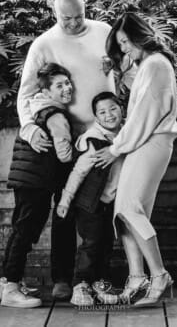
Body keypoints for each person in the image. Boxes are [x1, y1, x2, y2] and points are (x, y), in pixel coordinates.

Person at [17, 0, 115, 299]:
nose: (72, 23)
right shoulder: (44, 43)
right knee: (65, 210)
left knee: (101, 211)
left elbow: (128, 71)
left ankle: (97, 278)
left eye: (78, 17)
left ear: (86, 8)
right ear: (54, 12)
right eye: (65, 18)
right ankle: (62, 279)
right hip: (67, 142)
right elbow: (26, 94)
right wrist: (30, 129)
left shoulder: (104, 32)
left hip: (102, 138)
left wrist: (117, 68)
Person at [95, 12, 177, 307]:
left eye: (125, 42)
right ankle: (136, 279)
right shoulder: (150, 65)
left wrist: (116, 147)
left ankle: (158, 276)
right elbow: (139, 93)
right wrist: (118, 66)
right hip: (146, 142)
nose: (124, 50)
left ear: (139, 35)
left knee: (130, 208)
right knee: (124, 211)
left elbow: (144, 114)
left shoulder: (156, 64)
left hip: (151, 142)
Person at [0, 63, 74, 308]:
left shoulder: (37, 108)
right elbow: (63, 151)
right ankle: (11, 287)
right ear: (47, 91)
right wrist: (78, 154)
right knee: (26, 232)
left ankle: (7, 283)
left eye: (68, 83)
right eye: (60, 85)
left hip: (28, 178)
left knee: (21, 229)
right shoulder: (56, 114)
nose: (67, 88)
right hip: (37, 180)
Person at [56, 92, 124, 306]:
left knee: (106, 243)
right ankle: (80, 285)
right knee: (91, 243)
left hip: (109, 202)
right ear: (96, 118)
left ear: (121, 109)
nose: (109, 115)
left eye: (113, 108)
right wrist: (65, 200)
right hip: (89, 203)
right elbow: (78, 172)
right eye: (102, 112)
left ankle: (100, 284)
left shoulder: (127, 134)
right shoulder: (93, 140)